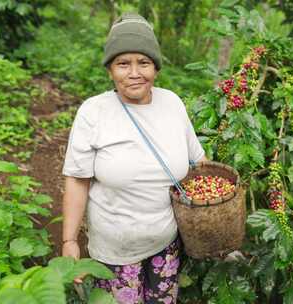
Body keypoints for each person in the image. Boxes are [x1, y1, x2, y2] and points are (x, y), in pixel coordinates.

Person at [61, 13, 207, 304]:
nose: (134, 72)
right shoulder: (94, 112)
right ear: (110, 69)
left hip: (166, 246)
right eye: (123, 63)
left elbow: (199, 164)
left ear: (156, 66)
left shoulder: (173, 104)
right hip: (114, 251)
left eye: (144, 62)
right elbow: (78, 180)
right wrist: (69, 240)